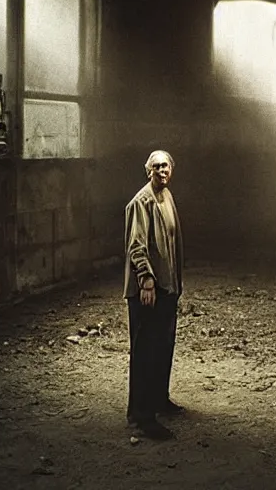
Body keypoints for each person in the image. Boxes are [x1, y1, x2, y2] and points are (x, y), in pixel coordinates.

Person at [123, 150, 184, 439]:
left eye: (166, 166)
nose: (162, 171)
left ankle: (159, 399)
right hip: (148, 290)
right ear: (148, 170)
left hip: (167, 288)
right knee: (145, 352)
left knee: (163, 347)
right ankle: (141, 417)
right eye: (156, 167)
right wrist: (146, 280)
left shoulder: (167, 197)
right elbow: (136, 245)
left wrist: (173, 285)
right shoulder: (141, 202)